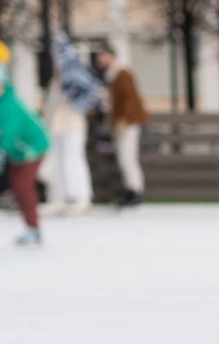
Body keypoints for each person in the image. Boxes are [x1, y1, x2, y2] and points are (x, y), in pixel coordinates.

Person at [0, 58, 48, 244]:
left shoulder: (10, 104)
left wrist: (0, 154)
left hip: (32, 148)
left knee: (23, 186)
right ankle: (30, 227)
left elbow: (9, 133)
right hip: (16, 151)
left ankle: (34, 229)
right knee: (17, 186)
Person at [46, 38, 104, 214]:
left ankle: (81, 196)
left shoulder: (75, 74)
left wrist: (73, 99)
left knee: (74, 159)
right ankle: (64, 196)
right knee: (62, 160)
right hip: (59, 125)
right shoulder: (61, 75)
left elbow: (89, 94)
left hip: (72, 125)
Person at [105, 49, 148, 206]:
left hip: (127, 122)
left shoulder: (122, 73)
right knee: (123, 157)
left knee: (127, 156)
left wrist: (124, 120)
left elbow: (129, 98)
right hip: (122, 122)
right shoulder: (113, 74)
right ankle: (131, 188)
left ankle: (135, 189)